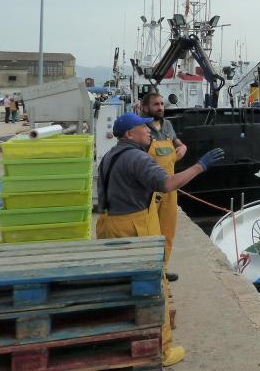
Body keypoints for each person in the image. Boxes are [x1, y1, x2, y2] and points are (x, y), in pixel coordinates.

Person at [96, 112, 224, 367]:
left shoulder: (110, 156)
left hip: (110, 224)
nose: (148, 130)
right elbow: (167, 184)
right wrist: (201, 165)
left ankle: (124, 337)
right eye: (142, 127)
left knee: (123, 285)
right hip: (134, 226)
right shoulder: (137, 158)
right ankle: (163, 350)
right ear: (130, 134)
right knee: (156, 288)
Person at [140, 92, 187, 281]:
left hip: (170, 188)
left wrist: (183, 147)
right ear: (145, 108)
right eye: (155, 104)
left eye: (161, 104)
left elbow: (178, 144)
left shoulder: (167, 125)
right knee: (149, 231)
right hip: (149, 190)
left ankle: (163, 268)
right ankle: (147, 269)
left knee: (167, 229)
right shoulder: (141, 129)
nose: (160, 107)